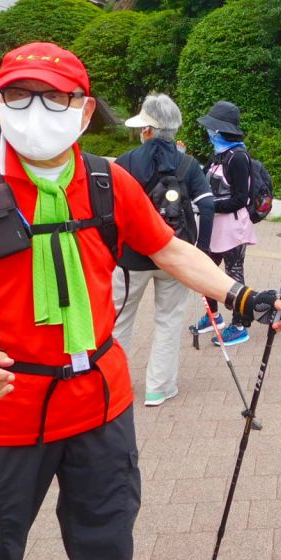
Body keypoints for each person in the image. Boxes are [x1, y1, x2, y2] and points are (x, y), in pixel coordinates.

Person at [0, 42, 281, 559]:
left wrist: (240, 295)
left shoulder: (107, 179)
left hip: (100, 407)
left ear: (86, 109)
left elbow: (168, 249)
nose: (37, 109)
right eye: (20, 95)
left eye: (55, 98)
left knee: (107, 545)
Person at [112, 94, 215, 407]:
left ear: (147, 129)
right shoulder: (189, 164)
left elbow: (109, 211)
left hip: (130, 258)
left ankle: (115, 385)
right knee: (169, 320)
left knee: (119, 320)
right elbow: (207, 206)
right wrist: (201, 251)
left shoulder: (125, 162)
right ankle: (159, 388)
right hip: (175, 253)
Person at [194, 101, 257, 346]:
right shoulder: (219, 154)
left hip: (233, 226)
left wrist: (210, 206)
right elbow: (202, 179)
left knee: (234, 274)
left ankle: (240, 324)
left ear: (219, 131)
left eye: (212, 129)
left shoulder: (239, 157)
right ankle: (213, 317)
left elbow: (242, 198)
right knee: (205, 271)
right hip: (213, 225)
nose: (209, 132)